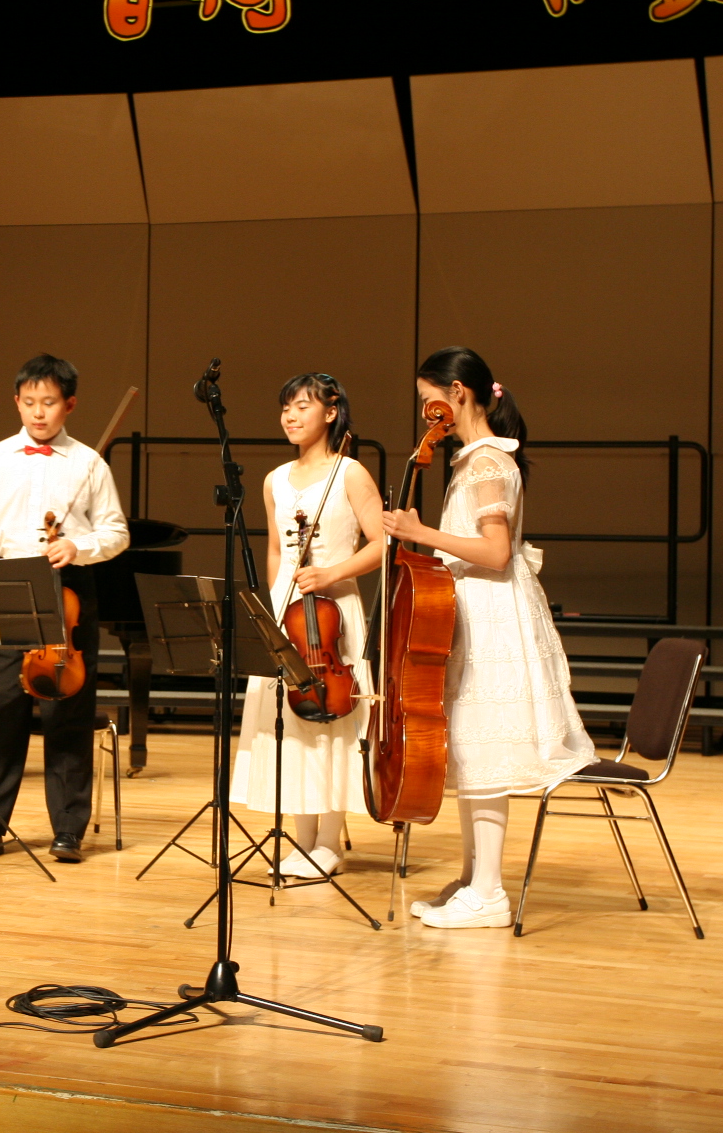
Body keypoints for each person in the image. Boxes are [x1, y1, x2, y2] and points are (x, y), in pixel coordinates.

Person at [382, 347, 596, 928]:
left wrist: (421, 532)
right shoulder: (475, 459)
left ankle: (490, 893)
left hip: (491, 615)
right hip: (472, 610)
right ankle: (473, 878)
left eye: (429, 399)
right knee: (470, 749)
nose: (425, 412)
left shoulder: (486, 463)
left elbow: (497, 552)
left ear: (458, 392)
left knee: (484, 749)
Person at [0, 354, 129, 864]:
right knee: (0, 711)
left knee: (66, 710)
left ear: (69, 405)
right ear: (16, 402)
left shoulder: (89, 463)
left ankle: (68, 830)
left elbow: (117, 532)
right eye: (29, 402)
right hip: (6, 585)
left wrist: (78, 546)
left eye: (48, 403)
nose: (38, 412)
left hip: (68, 587)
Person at [232, 374, 385, 879]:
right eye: (286, 408)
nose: (291, 417)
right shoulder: (274, 479)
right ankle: (302, 841)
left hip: (334, 610)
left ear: (331, 412)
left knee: (334, 720)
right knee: (290, 722)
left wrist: (331, 573)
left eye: (302, 406)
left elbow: (383, 544)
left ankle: (329, 843)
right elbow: (277, 550)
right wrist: (274, 605)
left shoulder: (350, 473)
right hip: (289, 610)